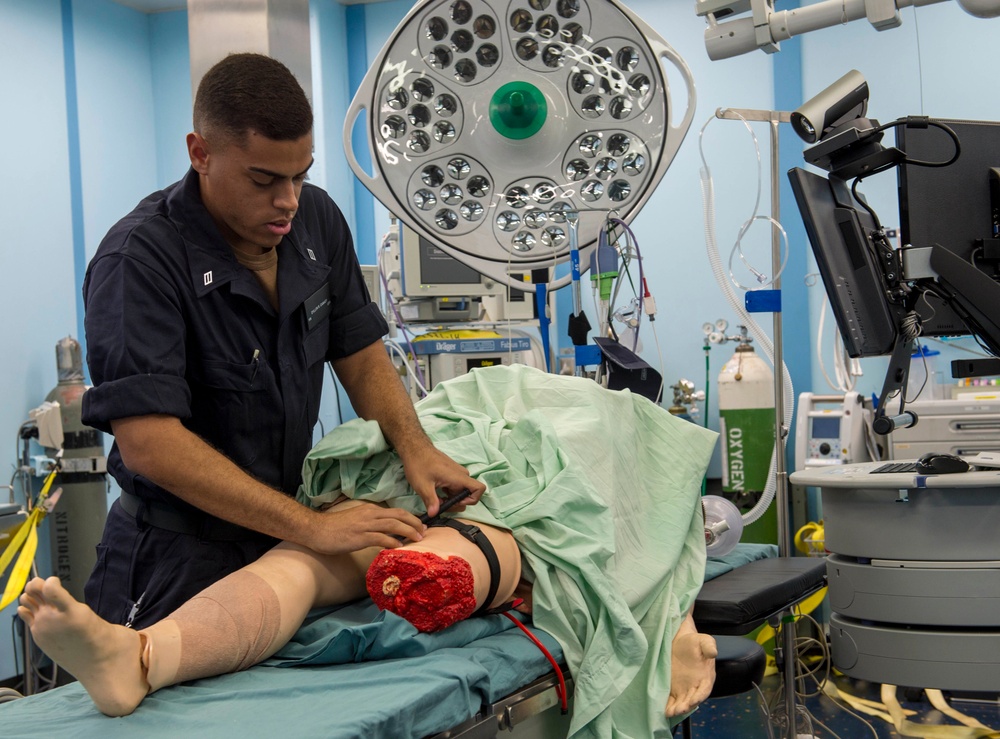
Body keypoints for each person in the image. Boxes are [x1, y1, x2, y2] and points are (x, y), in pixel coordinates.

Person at [79, 52, 483, 629]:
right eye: (264, 179)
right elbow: (151, 444)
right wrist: (313, 527)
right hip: (176, 557)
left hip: (282, 538)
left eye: (300, 174)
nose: (288, 199)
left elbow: (361, 353)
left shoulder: (314, 221)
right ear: (201, 154)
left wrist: (414, 447)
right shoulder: (139, 261)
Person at [18, 498, 717, 720]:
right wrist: (679, 621)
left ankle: (144, 655)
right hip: (476, 498)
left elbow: (664, 537)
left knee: (294, 570)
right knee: (480, 540)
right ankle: (133, 655)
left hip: (406, 491)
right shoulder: (624, 427)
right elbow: (661, 540)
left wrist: (679, 623)